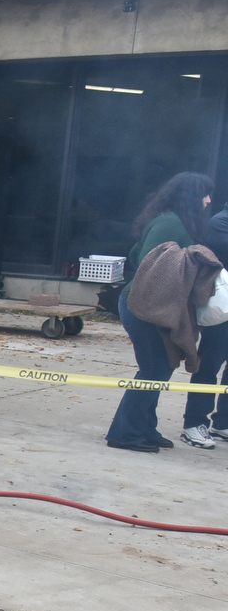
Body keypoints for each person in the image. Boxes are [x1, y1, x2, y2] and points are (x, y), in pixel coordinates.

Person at [105, 171, 214, 453]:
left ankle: (145, 428)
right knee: (153, 369)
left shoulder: (172, 220)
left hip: (155, 307)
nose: (209, 200)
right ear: (191, 197)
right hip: (144, 306)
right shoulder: (171, 223)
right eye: (205, 193)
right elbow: (149, 264)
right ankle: (124, 433)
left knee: (162, 367)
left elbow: (133, 254)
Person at [183, 203, 228, 447]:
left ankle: (223, 423)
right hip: (223, 311)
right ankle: (194, 423)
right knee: (208, 366)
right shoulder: (221, 222)